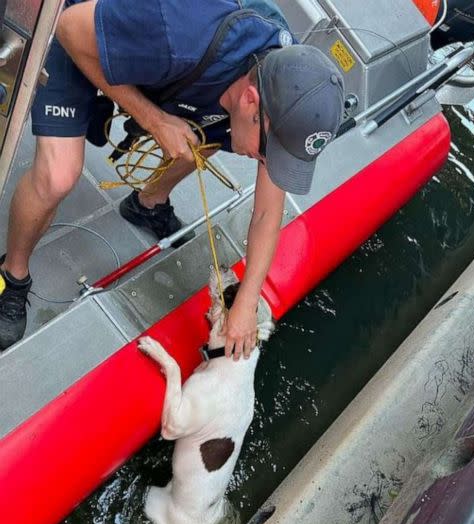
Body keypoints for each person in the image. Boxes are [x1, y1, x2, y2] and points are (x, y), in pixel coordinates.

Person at [0, 0, 344, 357]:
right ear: (250, 101)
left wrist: (247, 299)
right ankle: (13, 274)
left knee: (208, 135)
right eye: (267, 152)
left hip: (159, 60)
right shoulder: (181, 33)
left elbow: (266, 214)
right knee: (58, 175)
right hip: (81, 28)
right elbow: (70, 28)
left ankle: (148, 203)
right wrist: (154, 120)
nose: (264, 162)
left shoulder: (279, 83)